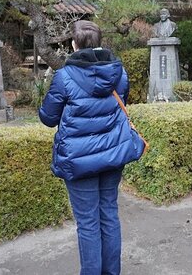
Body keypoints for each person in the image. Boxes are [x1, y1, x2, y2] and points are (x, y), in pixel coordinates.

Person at [39, 20, 132, 275]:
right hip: (112, 154)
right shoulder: (119, 73)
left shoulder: (65, 76)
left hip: (79, 159)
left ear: (73, 44)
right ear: (100, 43)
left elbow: (48, 118)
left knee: (88, 222)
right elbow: (120, 103)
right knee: (109, 215)